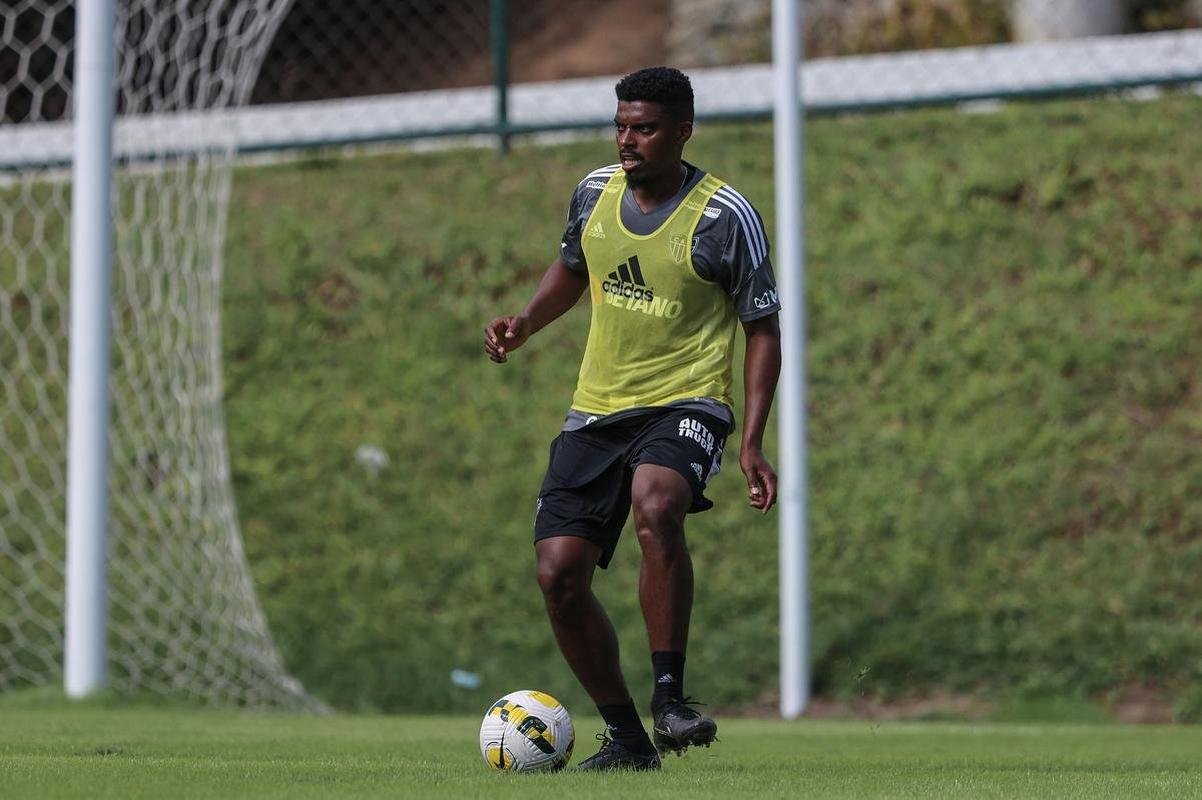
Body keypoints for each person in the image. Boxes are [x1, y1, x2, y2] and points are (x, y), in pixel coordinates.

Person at [484, 66, 781, 771]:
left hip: (687, 401)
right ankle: (626, 739)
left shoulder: (722, 216)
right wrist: (526, 322)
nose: (627, 140)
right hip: (597, 409)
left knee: (657, 504)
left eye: (644, 128)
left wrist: (753, 442)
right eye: (620, 126)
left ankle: (670, 697)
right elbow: (574, 267)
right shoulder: (593, 193)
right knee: (558, 574)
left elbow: (763, 327)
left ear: (682, 130)